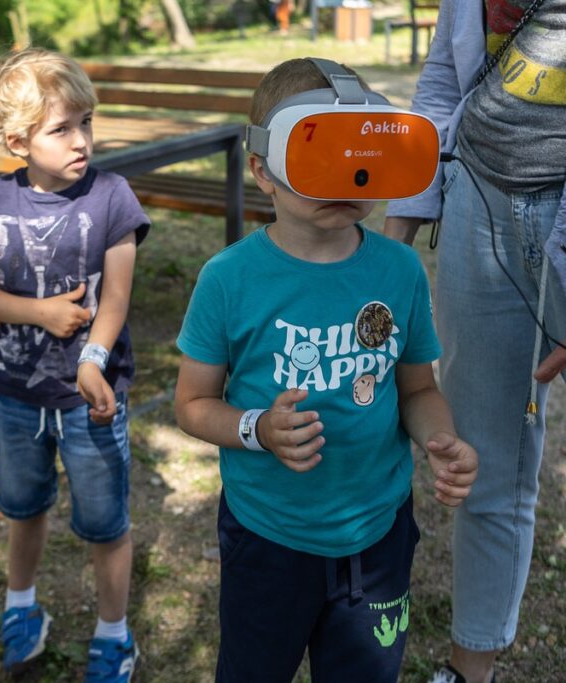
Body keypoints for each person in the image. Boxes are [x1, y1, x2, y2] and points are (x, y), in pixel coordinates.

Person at [174, 57, 479, 683]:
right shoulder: (228, 280)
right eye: (321, 157)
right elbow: (193, 405)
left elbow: (417, 386)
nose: (347, 179)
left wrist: (438, 438)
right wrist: (258, 427)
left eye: (359, 154)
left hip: (379, 536)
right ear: (264, 169)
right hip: (268, 540)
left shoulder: (397, 271)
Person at [383, 2, 566, 682]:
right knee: (484, 459)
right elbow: (441, 83)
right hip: (477, 201)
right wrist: (394, 238)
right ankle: (469, 671)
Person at [0, 48, 147, 681]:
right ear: (18, 141)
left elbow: (116, 298)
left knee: (104, 521)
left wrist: (92, 359)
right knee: (22, 506)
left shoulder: (113, 197)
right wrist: (40, 313)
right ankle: (21, 607)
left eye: (86, 124)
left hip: (89, 395)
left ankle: (115, 633)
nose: (81, 141)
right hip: (15, 392)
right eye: (61, 129)